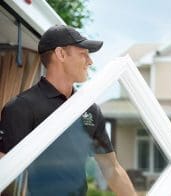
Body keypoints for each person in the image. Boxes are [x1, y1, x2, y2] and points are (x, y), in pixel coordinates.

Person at [0, 25, 137, 196]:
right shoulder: (21, 107)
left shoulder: (90, 110)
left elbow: (113, 170)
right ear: (61, 54)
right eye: (83, 54)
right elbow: (4, 175)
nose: (90, 61)